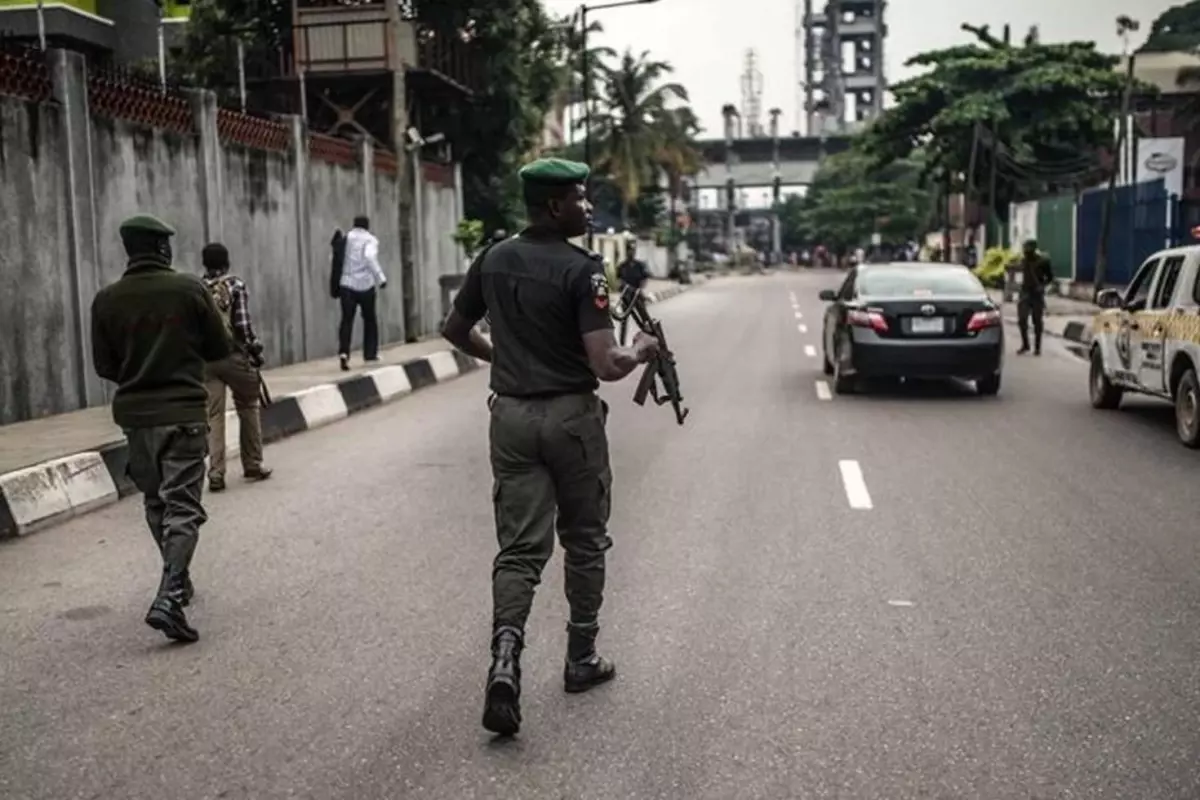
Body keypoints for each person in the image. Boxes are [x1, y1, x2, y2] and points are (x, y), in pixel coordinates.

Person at [441, 157, 660, 737]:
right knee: (585, 539)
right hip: (570, 419)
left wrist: (505, 361)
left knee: (518, 552)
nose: (588, 207)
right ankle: (580, 658)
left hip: (510, 418)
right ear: (554, 205)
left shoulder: (491, 259)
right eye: (580, 198)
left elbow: (454, 331)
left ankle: (505, 660)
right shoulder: (582, 270)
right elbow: (607, 364)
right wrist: (640, 349)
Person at [90, 214, 232, 643]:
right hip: (184, 413)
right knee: (184, 506)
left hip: (136, 418)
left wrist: (140, 374)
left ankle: (177, 579)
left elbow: (104, 365)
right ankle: (170, 595)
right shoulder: (189, 289)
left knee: (156, 502)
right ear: (163, 248)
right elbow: (220, 347)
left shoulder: (106, 299)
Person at [201, 243, 273, 492]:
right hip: (233, 357)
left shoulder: (196, 289)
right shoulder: (235, 285)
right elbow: (242, 324)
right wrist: (254, 347)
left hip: (206, 362)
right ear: (227, 262)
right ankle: (253, 463)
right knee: (248, 405)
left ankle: (216, 473)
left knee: (213, 415)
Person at [337, 215, 387, 371]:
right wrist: (381, 278)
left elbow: (337, 259)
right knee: (370, 319)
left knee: (346, 320)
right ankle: (370, 353)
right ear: (367, 226)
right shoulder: (371, 240)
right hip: (366, 285)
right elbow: (369, 257)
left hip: (346, 284)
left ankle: (344, 352)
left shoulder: (346, 239)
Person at [1016, 238, 1054, 356]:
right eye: (1024, 249)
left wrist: (1043, 286)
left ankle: (1037, 347)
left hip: (1037, 294)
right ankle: (1025, 344)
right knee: (1022, 320)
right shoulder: (1023, 261)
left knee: (1037, 321)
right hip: (1025, 293)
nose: (1025, 251)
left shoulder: (1042, 261)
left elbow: (1050, 277)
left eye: (1027, 249)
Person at [616, 242, 650, 346]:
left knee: (645, 319)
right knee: (624, 321)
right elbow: (619, 280)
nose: (631, 252)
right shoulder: (622, 266)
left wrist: (639, 289)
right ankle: (622, 344)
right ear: (627, 252)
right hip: (626, 296)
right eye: (629, 250)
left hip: (637, 295)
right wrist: (625, 287)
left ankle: (649, 340)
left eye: (633, 250)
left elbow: (644, 279)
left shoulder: (639, 265)